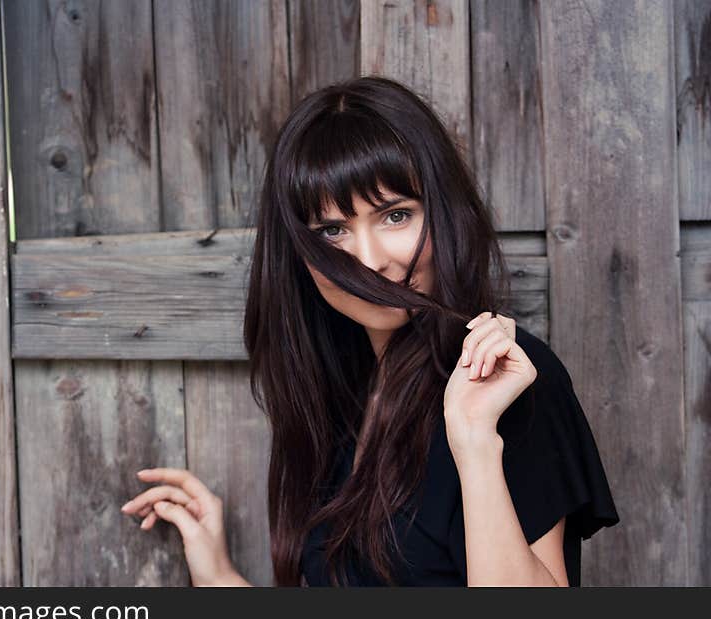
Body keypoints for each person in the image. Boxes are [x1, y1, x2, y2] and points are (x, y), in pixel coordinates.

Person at [120, 76, 620, 587]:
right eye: (332, 231)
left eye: (395, 215)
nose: (371, 260)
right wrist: (221, 576)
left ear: (443, 214)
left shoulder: (505, 375)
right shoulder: (347, 389)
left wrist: (474, 443)